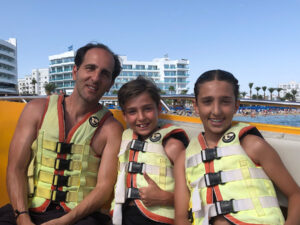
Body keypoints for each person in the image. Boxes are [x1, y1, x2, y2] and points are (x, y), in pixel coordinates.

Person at [2, 43, 123, 225]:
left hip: (80, 217)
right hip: (25, 210)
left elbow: (103, 188)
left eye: (105, 74)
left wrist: (64, 221)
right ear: (75, 72)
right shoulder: (36, 110)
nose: (95, 78)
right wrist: (22, 218)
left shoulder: (111, 129)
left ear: (110, 85)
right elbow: (15, 168)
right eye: (90, 68)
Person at [174, 70, 300, 225]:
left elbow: (296, 195)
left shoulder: (253, 145)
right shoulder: (183, 160)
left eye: (225, 101)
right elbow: (180, 218)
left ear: (236, 106)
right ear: (196, 106)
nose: (216, 111)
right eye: (207, 101)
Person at [112, 76, 189, 225]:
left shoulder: (173, 145)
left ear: (158, 108)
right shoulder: (124, 140)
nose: (141, 117)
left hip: (160, 219)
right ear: (125, 116)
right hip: (124, 217)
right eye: (132, 111)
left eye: (147, 109)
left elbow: (196, 192)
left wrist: (167, 198)